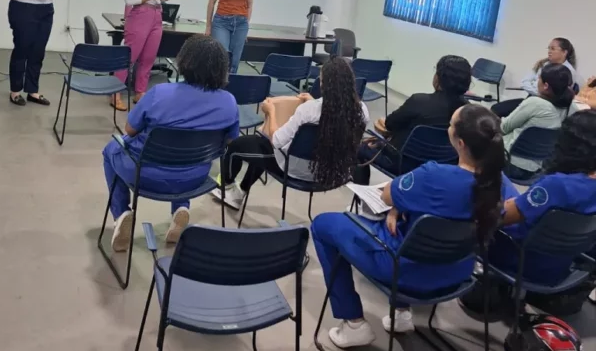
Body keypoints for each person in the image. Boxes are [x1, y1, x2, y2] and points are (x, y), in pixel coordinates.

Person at [311, 103, 514, 347]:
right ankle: (401, 314)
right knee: (411, 226)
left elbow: (387, 195)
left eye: (450, 124)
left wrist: (397, 204)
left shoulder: (432, 175)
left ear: (460, 143)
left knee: (323, 225)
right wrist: (400, 208)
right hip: (458, 273)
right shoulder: (499, 184)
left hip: (403, 271)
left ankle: (353, 322)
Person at [103, 35, 240, 248]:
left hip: (144, 175)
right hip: (195, 178)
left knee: (111, 149)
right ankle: (181, 208)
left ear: (184, 61)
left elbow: (130, 129)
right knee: (185, 154)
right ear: (222, 68)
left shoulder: (159, 93)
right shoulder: (229, 102)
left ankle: (121, 214)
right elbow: (231, 141)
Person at [215, 56, 368, 211]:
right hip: (332, 171)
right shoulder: (361, 111)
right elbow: (329, 118)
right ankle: (241, 191)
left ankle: (228, 186)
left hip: (295, 170)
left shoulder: (308, 110)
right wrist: (314, 101)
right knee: (260, 145)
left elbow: (276, 141)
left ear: (324, 84)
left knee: (242, 145)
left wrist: (271, 112)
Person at [491, 110, 596, 286]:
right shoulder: (574, 185)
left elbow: (500, 217)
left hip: (518, 258)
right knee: (502, 180)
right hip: (561, 265)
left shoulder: (556, 185)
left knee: (492, 180)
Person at [358, 55, 472, 176]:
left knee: (359, 148)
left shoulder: (419, 101)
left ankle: (359, 188)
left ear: (439, 78)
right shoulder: (468, 111)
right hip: (441, 168)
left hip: (402, 163)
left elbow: (390, 124)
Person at [112, 0, 188, 111]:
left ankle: (140, 91)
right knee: (130, 55)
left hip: (156, 14)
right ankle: (115, 92)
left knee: (148, 57)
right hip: (140, 14)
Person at [501, 63, 579, 180]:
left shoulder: (535, 103)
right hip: (538, 168)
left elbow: (503, 128)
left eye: (539, 78)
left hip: (509, 163)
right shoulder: (572, 108)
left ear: (546, 86)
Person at [492, 38, 578, 119]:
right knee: (495, 108)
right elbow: (525, 82)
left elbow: (556, 96)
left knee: (504, 116)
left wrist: (535, 86)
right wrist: (540, 91)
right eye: (548, 48)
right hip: (531, 98)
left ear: (564, 52)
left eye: (553, 49)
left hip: (544, 107)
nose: (549, 51)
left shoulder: (568, 72)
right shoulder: (544, 64)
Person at [206, 0, 254, 74]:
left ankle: (231, 83)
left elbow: (249, 5)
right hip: (222, 21)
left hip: (241, 23)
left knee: (235, 60)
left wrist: (246, 25)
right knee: (222, 56)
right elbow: (211, 2)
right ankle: (217, 83)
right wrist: (208, 26)